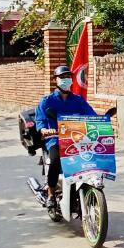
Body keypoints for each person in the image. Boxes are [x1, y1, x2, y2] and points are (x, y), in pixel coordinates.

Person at [35, 65, 96, 209]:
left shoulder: (78, 100)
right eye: (62, 77)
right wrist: (44, 130)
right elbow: (40, 120)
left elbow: (91, 116)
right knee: (55, 161)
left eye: (68, 76)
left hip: (76, 138)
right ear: (55, 80)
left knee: (89, 160)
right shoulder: (47, 101)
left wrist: (103, 122)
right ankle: (51, 194)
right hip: (55, 139)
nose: (66, 79)